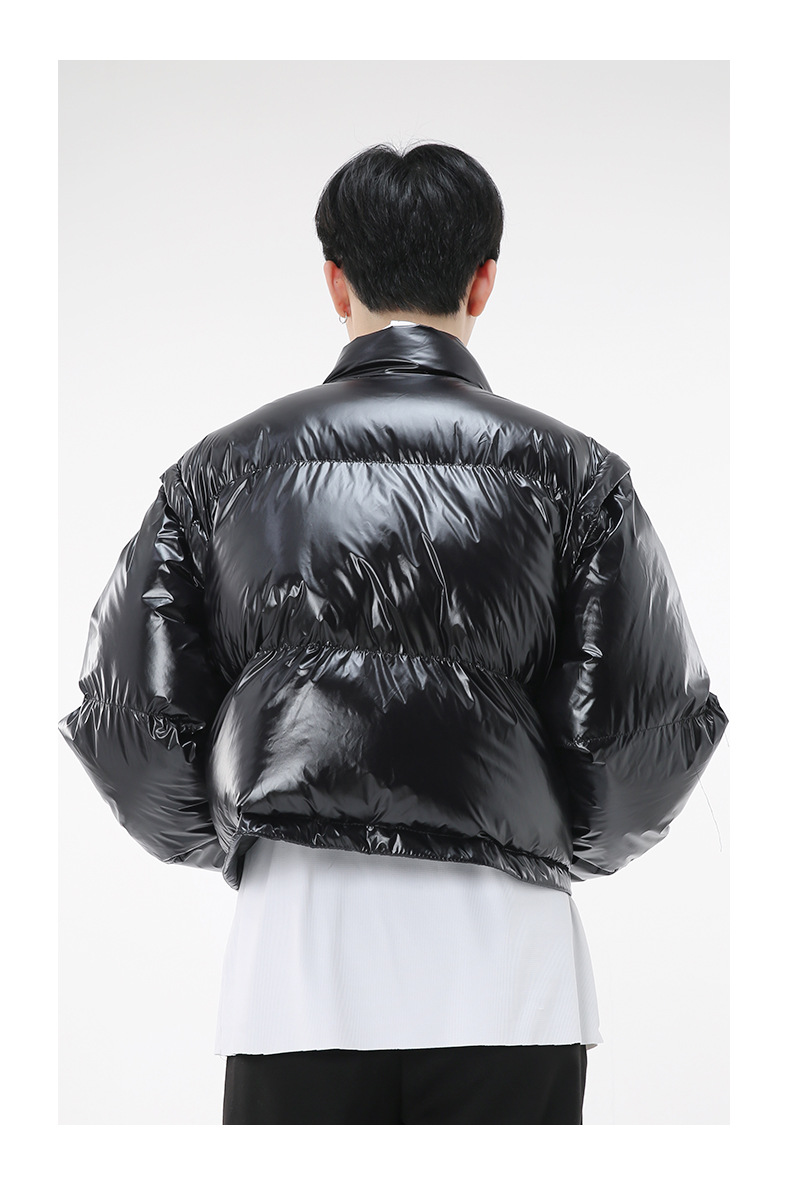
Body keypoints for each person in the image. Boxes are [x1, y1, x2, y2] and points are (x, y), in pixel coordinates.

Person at [59, 141, 729, 1125]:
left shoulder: (216, 475)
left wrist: (260, 829)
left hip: (293, 971)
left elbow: (132, 732)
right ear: (483, 281)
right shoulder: (577, 478)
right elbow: (641, 746)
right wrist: (537, 840)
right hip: (512, 975)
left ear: (336, 281)